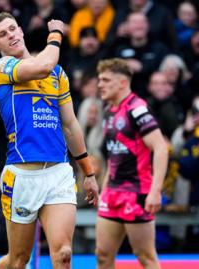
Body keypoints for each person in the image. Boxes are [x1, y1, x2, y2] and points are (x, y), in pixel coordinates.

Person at [0, 12, 99, 269]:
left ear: (21, 30)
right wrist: (56, 33)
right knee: (18, 260)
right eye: (2, 34)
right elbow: (41, 66)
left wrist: (88, 173)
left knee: (63, 254)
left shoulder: (58, 74)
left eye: (13, 28)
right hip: (22, 177)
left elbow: (70, 126)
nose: (10, 35)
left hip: (58, 173)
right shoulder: (1, 69)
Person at [96, 58, 168, 269]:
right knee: (102, 254)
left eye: (106, 80)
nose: (100, 84)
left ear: (122, 82)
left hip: (137, 193)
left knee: (145, 257)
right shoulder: (109, 111)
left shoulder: (137, 110)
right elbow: (113, 155)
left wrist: (155, 192)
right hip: (112, 193)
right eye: (99, 79)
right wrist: (104, 188)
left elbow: (161, 148)